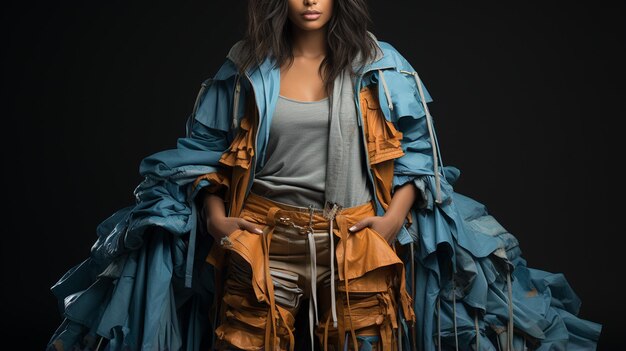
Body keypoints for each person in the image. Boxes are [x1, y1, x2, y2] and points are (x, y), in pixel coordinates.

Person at [47, 0, 602, 350]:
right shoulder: (243, 66)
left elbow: (417, 153)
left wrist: (392, 222)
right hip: (262, 239)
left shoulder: (383, 65)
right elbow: (204, 152)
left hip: (357, 239)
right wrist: (219, 221)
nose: (309, 0)